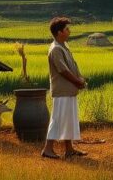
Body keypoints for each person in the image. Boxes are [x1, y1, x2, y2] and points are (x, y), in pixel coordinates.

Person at [41, 17, 86, 159]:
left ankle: (69, 149)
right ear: (59, 32)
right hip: (62, 90)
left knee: (68, 119)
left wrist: (80, 79)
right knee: (58, 120)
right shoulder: (55, 49)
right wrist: (78, 81)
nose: (69, 31)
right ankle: (47, 149)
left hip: (69, 89)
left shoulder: (64, 46)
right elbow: (63, 70)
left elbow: (72, 66)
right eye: (67, 29)